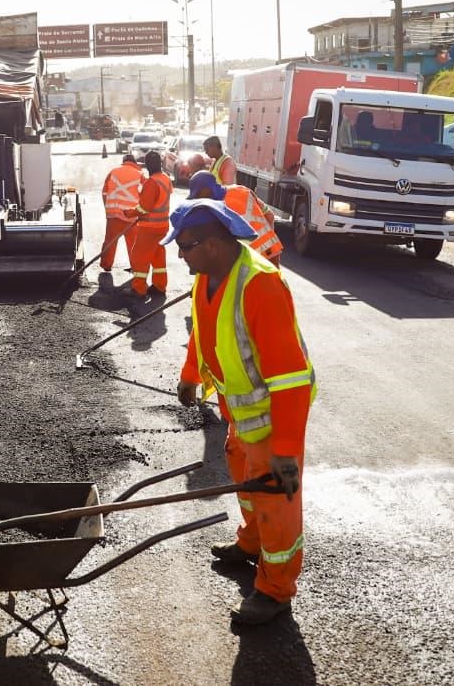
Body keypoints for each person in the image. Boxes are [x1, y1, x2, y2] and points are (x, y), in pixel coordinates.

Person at [168, 198, 315, 625]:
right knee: (247, 487)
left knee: (276, 503)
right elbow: (205, 328)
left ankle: (275, 589)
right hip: (239, 411)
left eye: (186, 246)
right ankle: (251, 543)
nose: (179, 255)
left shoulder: (261, 285)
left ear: (212, 244)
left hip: (273, 421)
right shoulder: (210, 275)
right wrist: (191, 373)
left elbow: (290, 377)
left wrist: (285, 448)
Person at [189, 171, 283, 265]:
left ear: (206, 190)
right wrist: (268, 242)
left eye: (197, 195)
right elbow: (270, 215)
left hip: (252, 261)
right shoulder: (242, 190)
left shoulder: (217, 209)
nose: (197, 200)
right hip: (272, 252)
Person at [125, 150, 173, 298]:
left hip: (149, 228)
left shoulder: (152, 182)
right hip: (162, 226)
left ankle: (139, 289)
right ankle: (159, 286)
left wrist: (130, 212)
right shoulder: (165, 178)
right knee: (158, 256)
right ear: (160, 163)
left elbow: (144, 208)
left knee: (139, 256)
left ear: (146, 165)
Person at [100, 154, 143, 272]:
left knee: (110, 242)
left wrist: (108, 209)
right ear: (134, 163)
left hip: (114, 215)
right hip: (132, 217)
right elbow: (145, 194)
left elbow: (104, 192)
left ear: (123, 162)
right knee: (134, 243)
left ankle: (106, 265)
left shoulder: (113, 172)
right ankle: (136, 266)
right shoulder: (140, 175)